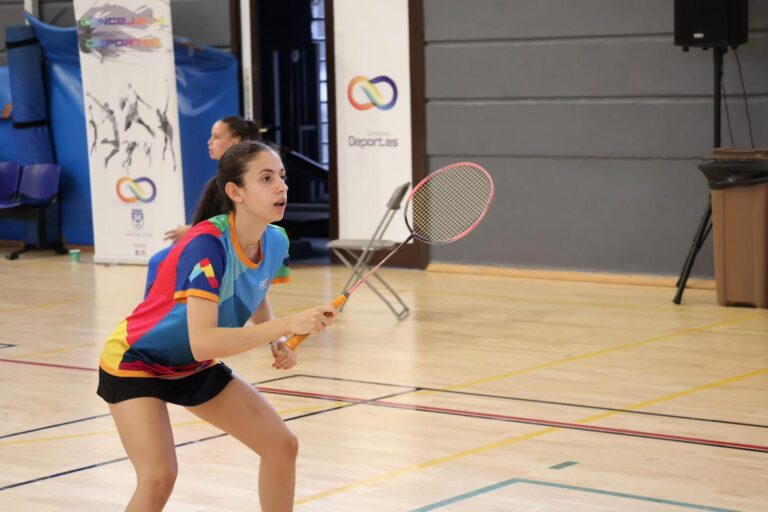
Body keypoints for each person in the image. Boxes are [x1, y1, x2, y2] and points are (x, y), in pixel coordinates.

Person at [97, 140, 338, 512]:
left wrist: (277, 337)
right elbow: (203, 342)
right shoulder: (206, 245)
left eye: (283, 177)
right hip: (136, 361)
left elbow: (254, 289)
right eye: (266, 178)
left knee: (281, 446)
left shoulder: (274, 240)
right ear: (235, 191)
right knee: (159, 476)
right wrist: (287, 324)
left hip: (189, 366)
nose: (282, 187)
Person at [145, 116, 262, 296]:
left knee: (159, 262)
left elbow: (233, 225)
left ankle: (154, 316)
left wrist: (191, 232)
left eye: (216, 137)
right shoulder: (221, 182)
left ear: (235, 141)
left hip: (220, 250)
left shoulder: (233, 184)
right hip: (215, 244)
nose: (209, 142)